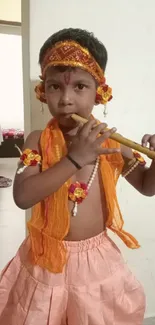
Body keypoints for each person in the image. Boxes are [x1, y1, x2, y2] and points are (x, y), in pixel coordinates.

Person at [0, 28, 155, 325]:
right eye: (55, 86)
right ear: (43, 91)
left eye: (80, 87)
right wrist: (74, 159)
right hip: (44, 261)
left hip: (95, 264)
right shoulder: (36, 141)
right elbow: (22, 197)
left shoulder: (111, 143)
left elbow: (148, 187)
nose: (66, 99)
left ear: (99, 93)